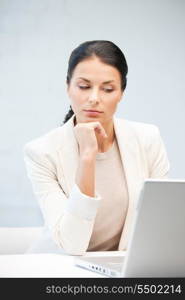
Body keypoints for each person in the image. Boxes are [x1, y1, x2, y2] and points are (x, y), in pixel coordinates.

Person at [23, 40, 170, 255]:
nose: (94, 98)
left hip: (120, 268)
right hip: (58, 267)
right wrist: (87, 157)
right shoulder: (41, 152)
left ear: (121, 93)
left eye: (108, 89)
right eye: (84, 86)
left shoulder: (147, 139)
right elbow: (73, 244)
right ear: (68, 87)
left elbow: (160, 221)